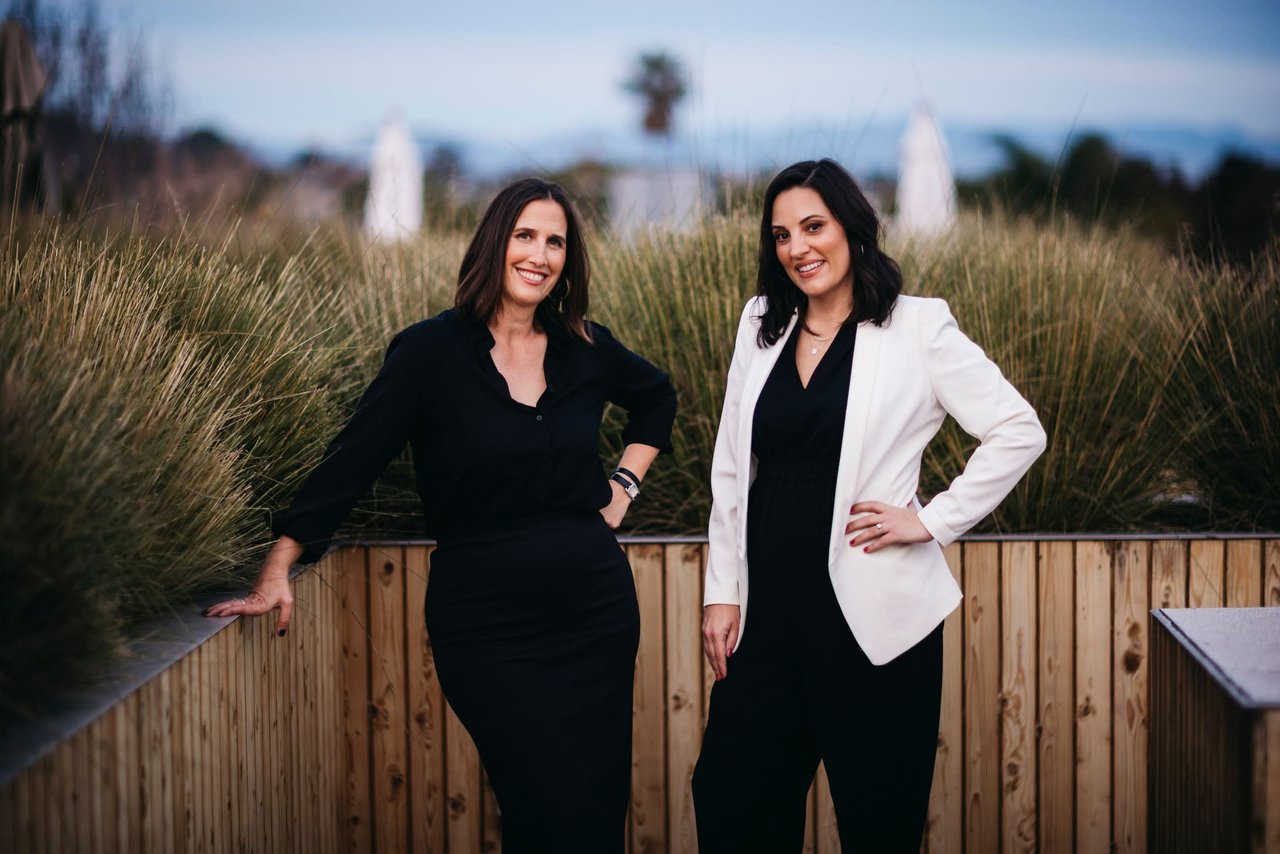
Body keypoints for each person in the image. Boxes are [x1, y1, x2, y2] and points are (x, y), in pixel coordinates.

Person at [205, 177, 677, 852]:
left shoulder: (585, 346)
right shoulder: (430, 352)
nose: (540, 255)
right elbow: (354, 456)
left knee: (594, 804)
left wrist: (623, 485)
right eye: (525, 236)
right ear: (494, 242)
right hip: (487, 622)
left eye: (555, 242)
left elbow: (657, 397)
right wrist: (279, 563)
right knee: (539, 796)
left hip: (593, 612)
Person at [692, 159, 1045, 852]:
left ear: (853, 227)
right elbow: (732, 467)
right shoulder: (761, 322)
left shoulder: (918, 326)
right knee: (731, 800)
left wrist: (932, 521)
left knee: (878, 825)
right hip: (766, 619)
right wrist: (722, 591)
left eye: (813, 227)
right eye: (782, 235)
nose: (798, 248)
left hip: (875, 630)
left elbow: (1018, 429)